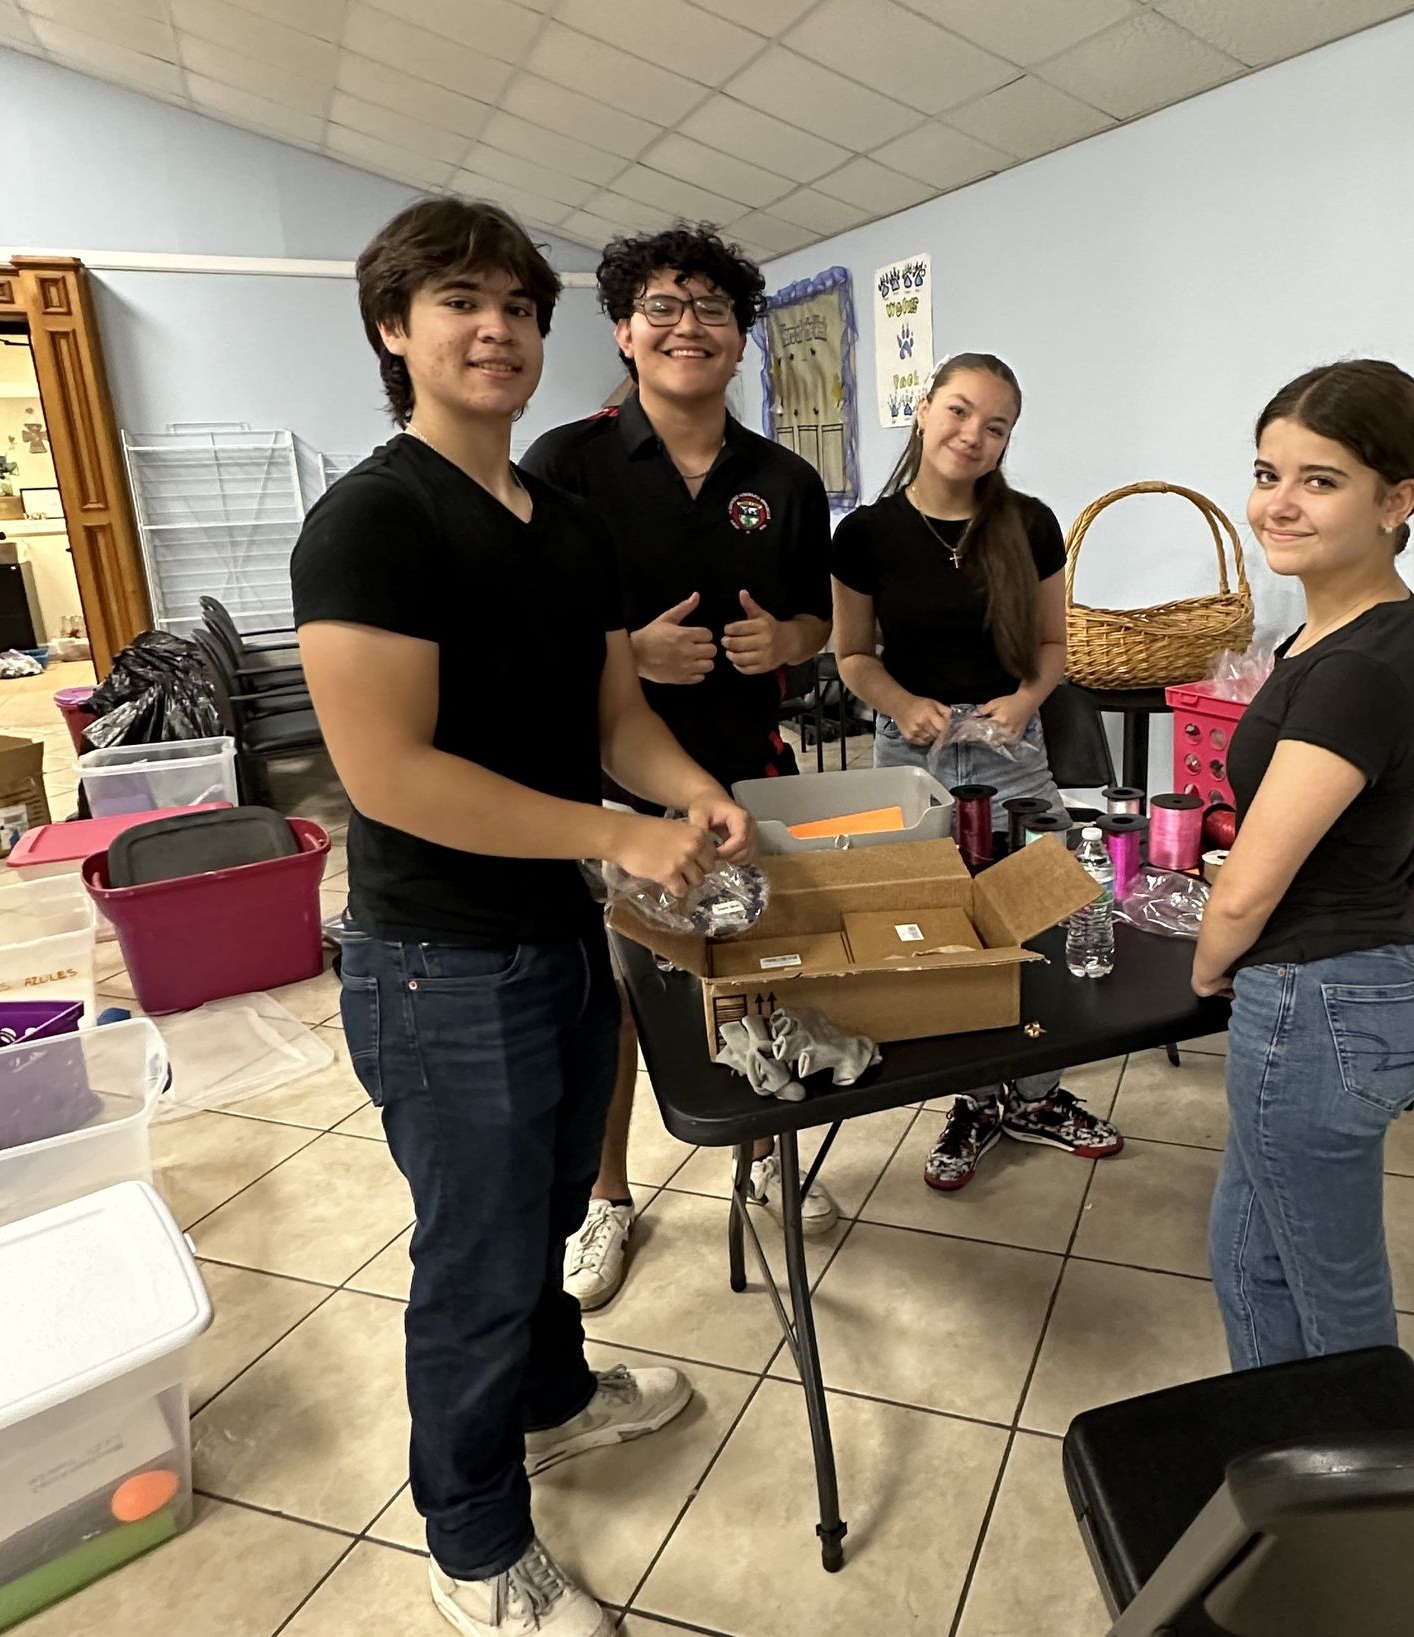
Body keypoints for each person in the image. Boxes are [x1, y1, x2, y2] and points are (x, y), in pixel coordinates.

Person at [292, 196, 757, 1637]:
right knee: (481, 1261)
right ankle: (476, 1540)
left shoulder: (562, 522)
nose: (496, 329)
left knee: (552, 1206)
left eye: (517, 305)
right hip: (439, 960)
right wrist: (618, 834)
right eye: (458, 303)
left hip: (556, 939)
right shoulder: (372, 519)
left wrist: (692, 796)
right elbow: (394, 774)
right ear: (395, 328)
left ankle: (555, 1405)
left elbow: (615, 712)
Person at [522, 223, 841, 1311]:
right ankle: (608, 1195)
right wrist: (628, 654)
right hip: (603, 790)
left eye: (711, 309)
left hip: (746, 772)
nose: (686, 326)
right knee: (615, 1003)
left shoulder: (785, 479)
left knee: (752, 977)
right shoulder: (564, 464)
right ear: (623, 330)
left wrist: (787, 644)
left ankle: (763, 1161)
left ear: (742, 338)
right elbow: (525, 633)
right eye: (662, 305)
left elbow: (816, 618)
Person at [1192, 359, 1414, 1370]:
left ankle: (1372, 1499)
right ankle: (1284, 1454)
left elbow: (1252, 883)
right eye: (1267, 472)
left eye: (1320, 479)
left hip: (1318, 1006)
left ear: (1398, 500)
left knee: (1336, 1298)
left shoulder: (1356, 664)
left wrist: (1213, 958)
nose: (1278, 503)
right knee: (1249, 1255)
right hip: (1359, 987)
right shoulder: (1348, 624)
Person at [831, 351, 1123, 1190]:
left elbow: (1052, 649)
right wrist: (900, 699)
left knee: (1047, 907)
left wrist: (1027, 701)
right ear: (922, 412)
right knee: (938, 929)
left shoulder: (1028, 523)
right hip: (911, 754)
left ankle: (1032, 1092)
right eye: (959, 412)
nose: (974, 435)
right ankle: (969, 1100)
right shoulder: (867, 534)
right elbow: (851, 654)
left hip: (1009, 745)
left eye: (996, 426)